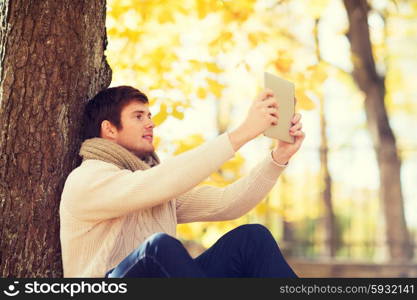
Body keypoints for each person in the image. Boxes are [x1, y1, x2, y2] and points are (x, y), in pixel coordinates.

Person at [59, 85, 305, 278]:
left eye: (149, 115)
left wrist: (278, 157)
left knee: (252, 238)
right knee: (157, 249)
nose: (150, 123)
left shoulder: (151, 185)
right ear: (109, 129)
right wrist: (243, 133)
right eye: (138, 116)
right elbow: (159, 183)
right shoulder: (88, 179)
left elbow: (226, 203)